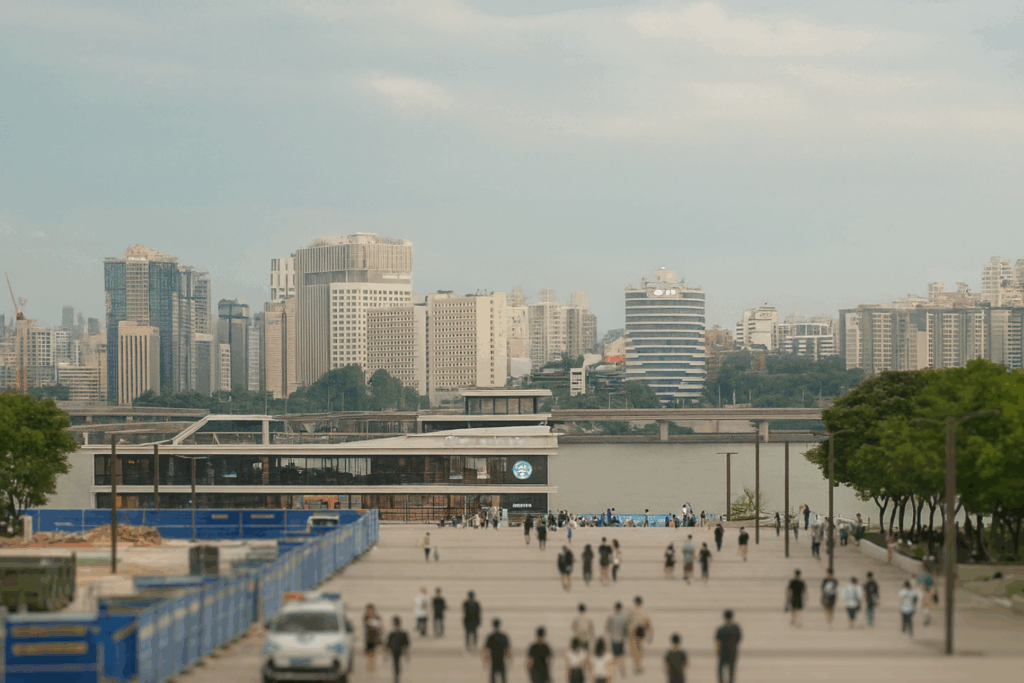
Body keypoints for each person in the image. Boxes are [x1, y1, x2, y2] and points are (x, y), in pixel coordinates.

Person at [714, 609, 742, 683]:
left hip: (723, 652)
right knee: (731, 670)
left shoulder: (721, 629)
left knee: (720, 670)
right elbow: (739, 639)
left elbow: (717, 641)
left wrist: (717, 651)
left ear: (724, 617)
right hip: (732, 651)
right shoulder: (736, 628)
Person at [628, 596, 653, 675]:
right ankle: (639, 665)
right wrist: (650, 634)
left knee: (634, 649)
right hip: (641, 631)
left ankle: (636, 665)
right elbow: (648, 622)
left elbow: (628, 622)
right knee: (640, 648)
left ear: (635, 602)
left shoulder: (632, 610)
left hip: (633, 631)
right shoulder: (644, 611)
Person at [606, 601, 630, 678]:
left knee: (614, 657)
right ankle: (623, 672)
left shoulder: (611, 616)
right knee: (621, 657)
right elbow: (627, 628)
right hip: (621, 639)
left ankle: (612, 672)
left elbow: (607, 628)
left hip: (613, 639)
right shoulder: (625, 617)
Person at [483, 618, 511, 683]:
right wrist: (509, 658)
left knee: (492, 678)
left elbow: (485, 649)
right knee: (503, 677)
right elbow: (508, 649)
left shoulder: (490, 636)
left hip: (493, 659)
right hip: (501, 659)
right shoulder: (504, 636)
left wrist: (485, 659)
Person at [385, 616, 411, 683]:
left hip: (397, 650)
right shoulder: (394, 633)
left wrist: (406, 653)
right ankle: (396, 676)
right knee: (396, 664)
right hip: (396, 650)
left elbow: (405, 644)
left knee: (396, 663)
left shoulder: (397, 633)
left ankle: (397, 676)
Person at [364, 604, 383, 672]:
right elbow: (367, 624)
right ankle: (370, 667)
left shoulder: (377, 617)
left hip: (374, 638)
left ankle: (371, 667)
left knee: (372, 654)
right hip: (368, 638)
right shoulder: (366, 617)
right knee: (368, 654)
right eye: (368, 610)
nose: (369, 611)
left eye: (371, 610)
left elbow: (380, 626)